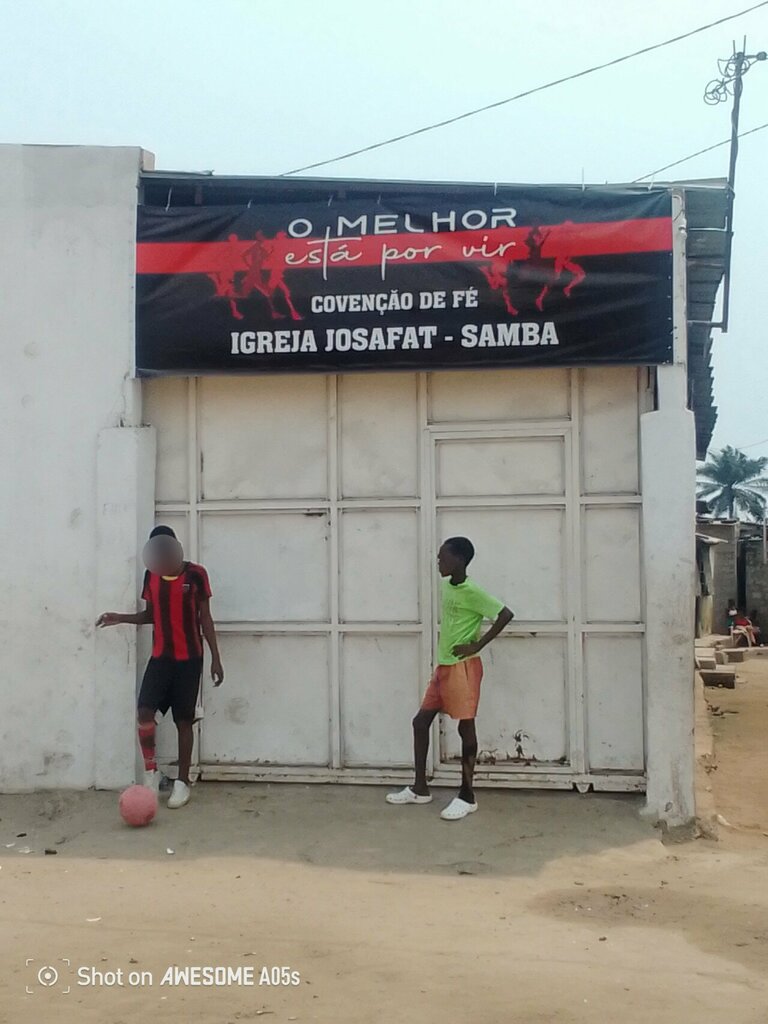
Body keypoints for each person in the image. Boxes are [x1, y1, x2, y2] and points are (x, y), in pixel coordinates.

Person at [386, 537, 514, 821]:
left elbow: (505, 614)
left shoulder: (473, 591)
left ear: (459, 560)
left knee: (465, 729)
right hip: (444, 667)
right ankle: (420, 788)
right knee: (420, 722)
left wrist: (477, 646)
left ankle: (467, 796)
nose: (439, 563)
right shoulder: (447, 586)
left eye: (443, 558)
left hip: (463, 668)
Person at [97, 526, 224, 809]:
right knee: (144, 711)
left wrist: (215, 657)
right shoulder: (150, 576)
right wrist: (120, 617)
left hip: (189, 658)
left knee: (184, 720)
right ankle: (151, 774)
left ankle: (182, 782)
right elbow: (151, 615)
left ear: (175, 548)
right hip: (161, 658)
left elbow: (205, 618)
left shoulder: (196, 574)